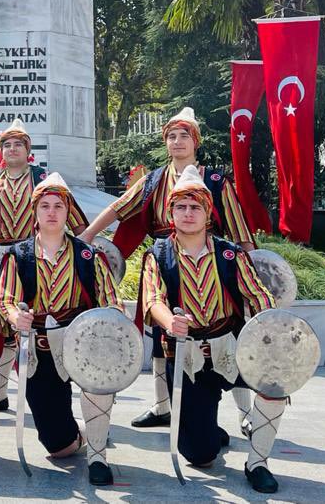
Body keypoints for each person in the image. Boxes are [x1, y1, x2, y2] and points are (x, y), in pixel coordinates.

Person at [81, 106, 255, 432]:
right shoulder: (152, 181)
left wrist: (251, 270)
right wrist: (88, 236)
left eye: (184, 135)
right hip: (166, 262)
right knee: (163, 334)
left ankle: (246, 415)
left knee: (229, 334)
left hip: (212, 265)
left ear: (195, 141)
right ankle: (163, 406)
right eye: (172, 136)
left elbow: (239, 231)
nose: (177, 142)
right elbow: (118, 209)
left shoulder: (215, 182)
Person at [141, 165, 284, 494]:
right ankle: (206, 428)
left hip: (231, 346)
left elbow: (257, 294)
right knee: (200, 455)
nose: (188, 213)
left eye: (196, 207)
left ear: (209, 214)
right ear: (171, 212)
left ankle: (258, 463)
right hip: (188, 355)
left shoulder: (230, 254)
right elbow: (152, 299)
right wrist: (169, 321)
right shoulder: (158, 255)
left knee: (276, 383)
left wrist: (272, 324)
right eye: (181, 207)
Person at [0, 117, 87, 413]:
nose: (12, 149)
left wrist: (84, 253)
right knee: (2, 325)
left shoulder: (43, 180)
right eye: (7, 144)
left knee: (43, 322)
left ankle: (50, 395)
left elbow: (75, 222)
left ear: (27, 150)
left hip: (36, 259)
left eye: (18, 145)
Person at [0, 170, 123, 485]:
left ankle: (97, 454)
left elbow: (112, 302)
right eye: (45, 206)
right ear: (35, 213)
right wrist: (15, 317)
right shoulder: (19, 256)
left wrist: (104, 334)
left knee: (96, 390)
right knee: (58, 447)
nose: (52, 212)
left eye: (58, 206)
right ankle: (79, 437)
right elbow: (6, 299)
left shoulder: (88, 255)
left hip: (81, 344)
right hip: (39, 350)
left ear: (68, 212)